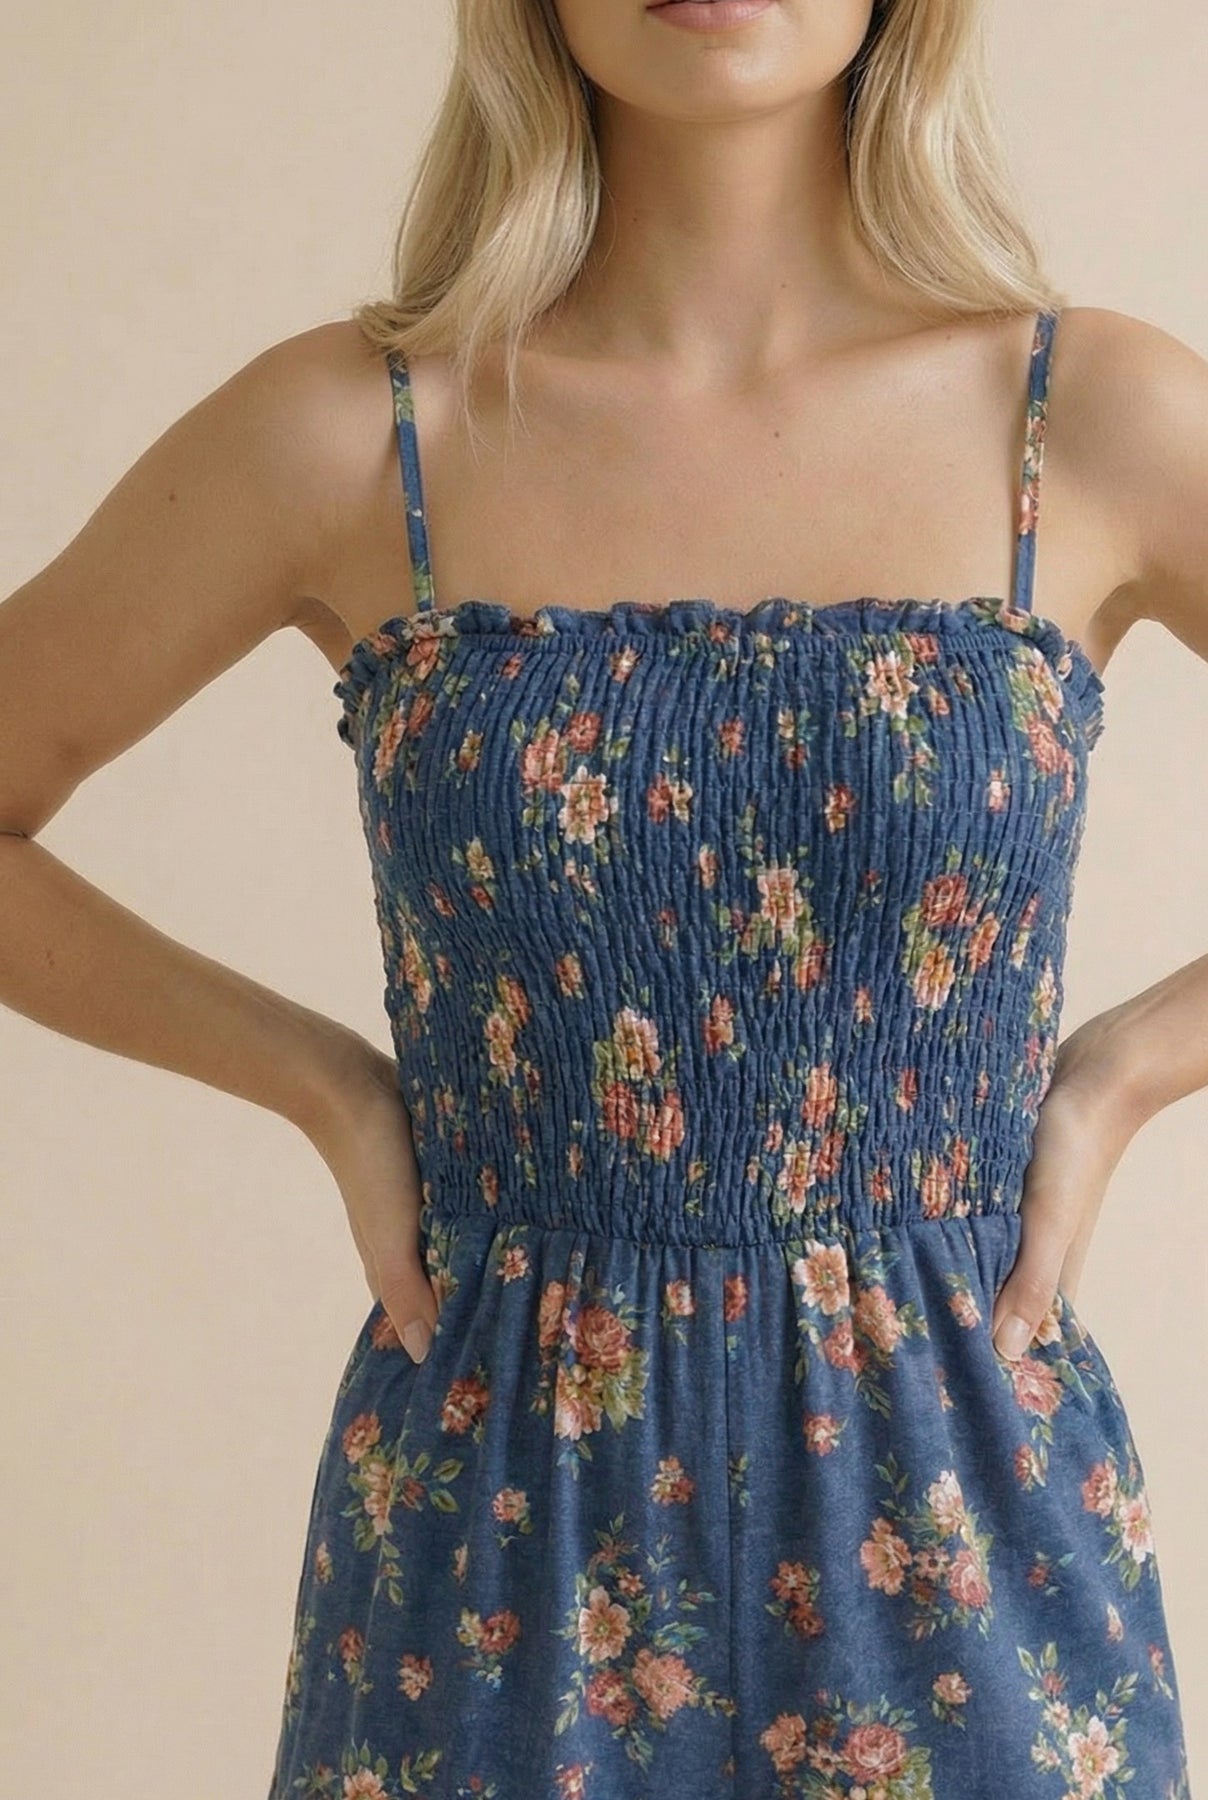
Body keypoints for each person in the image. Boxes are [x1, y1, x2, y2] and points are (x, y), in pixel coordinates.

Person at [1, 1, 1202, 1794]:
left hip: (965, 1513)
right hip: (502, 1522)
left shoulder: (1083, 419)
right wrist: (331, 1090)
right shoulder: (362, 433)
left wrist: (1120, 1078)